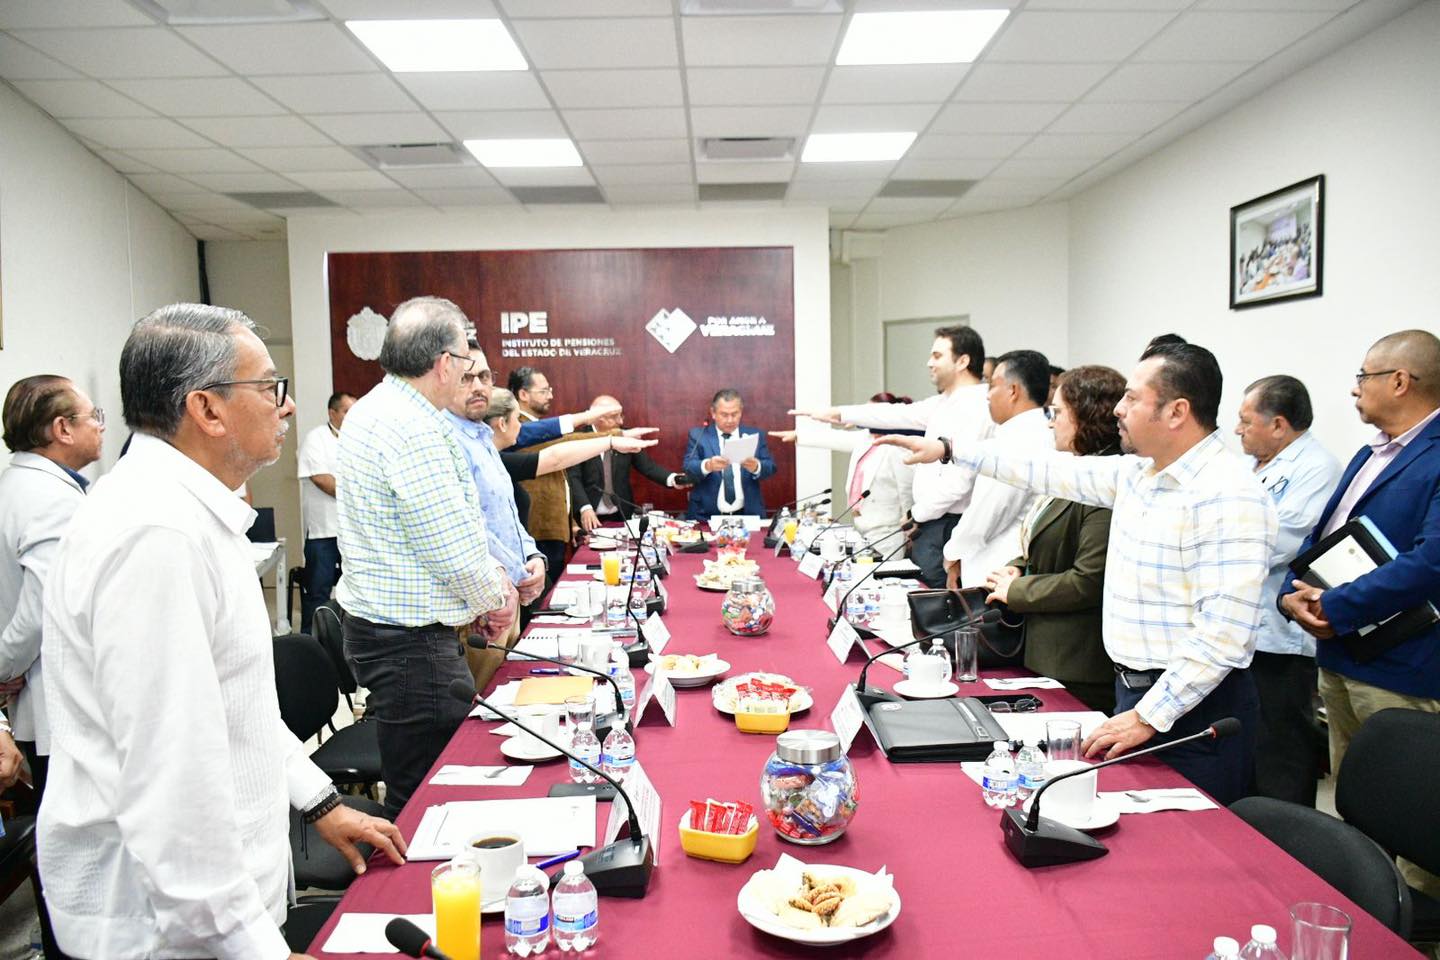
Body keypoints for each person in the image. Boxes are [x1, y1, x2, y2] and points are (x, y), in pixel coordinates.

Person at [38, 303, 403, 960]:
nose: (286, 406)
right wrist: (257, 950)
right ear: (206, 409)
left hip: (216, 914)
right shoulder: (157, 534)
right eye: (268, 387)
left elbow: (238, 706)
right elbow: (170, 786)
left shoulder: (190, 512)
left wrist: (321, 803)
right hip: (170, 932)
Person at [882, 342, 1276, 804]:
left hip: (1193, 707)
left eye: (1133, 398)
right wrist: (950, 450)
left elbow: (1224, 636)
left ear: (1177, 412)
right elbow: (1046, 470)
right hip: (1136, 692)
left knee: (1195, 837)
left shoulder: (1228, 495)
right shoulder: (1141, 475)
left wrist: (1148, 716)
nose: (1119, 409)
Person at [336, 295, 517, 818]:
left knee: (420, 781)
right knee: (430, 795)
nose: (467, 371)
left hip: (389, 632)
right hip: (410, 644)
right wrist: (494, 598)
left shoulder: (377, 408)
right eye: (464, 360)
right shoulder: (412, 427)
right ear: (443, 364)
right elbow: (451, 549)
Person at [1280, 330, 1440, 765]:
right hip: (1338, 656)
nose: (1355, 388)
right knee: (1349, 794)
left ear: (1399, 381)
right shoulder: (1369, 453)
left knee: (1398, 798)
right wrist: (1291, 596)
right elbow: (1326, 536)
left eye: (1364, 376)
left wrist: (1334, 606)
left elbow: (1430, 563)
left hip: (1400, 671)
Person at [791, 325, 992, 588]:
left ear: (962, 361)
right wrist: (838, 413)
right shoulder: (945, 402)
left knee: (939, 600)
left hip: (947, 524)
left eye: (937, 356)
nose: (929, 363)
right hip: (932, 522)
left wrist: (917, 513)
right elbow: (894, 414)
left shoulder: (976, 407)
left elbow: (960, 481)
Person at [982, 365, 1126, 714]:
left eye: (1058, 413)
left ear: (1086, 417)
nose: (1051, 423)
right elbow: (1043, 540)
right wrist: (1017, 567)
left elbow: (1088, 580)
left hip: (1077, 660)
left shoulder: (1104, 485)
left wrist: (1017, 591)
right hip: (1045, 649)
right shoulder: (1074, 471)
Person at [1234, 375, 1340, 806]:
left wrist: (1220, 541)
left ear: (1278, 424)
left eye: (1246, 421)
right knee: (1253, 743)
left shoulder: (1316, 467)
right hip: (1248, 629)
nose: (1238, 430)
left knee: (1282, 746)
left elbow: (1283, 541)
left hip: (1282, 636)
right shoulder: (1256, 465)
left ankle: (1288, 832)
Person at [0, 375, 104, 799]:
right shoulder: (53, 500)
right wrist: (4, 669)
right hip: (59, 706)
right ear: (63, 429)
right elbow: (42, 610)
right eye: (93, 415)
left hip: (42, 701)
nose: (100, 425)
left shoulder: (16, 484)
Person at [444, 340, 547, 686]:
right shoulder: (446, 441)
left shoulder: (482, 439)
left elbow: (508, 516)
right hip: (482, 606)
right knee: (481, 706)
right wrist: (516, 573)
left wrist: (533, 557)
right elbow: (467, 526)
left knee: (509, 695)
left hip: (509, 595)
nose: (478, 386)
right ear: (445, 379)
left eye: (485, 376)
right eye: (466, 377)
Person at [939, 350, 1054, 589]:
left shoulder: (1018, 440)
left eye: (992, 386)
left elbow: (989, 512)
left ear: (1013, 391)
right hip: (1012, 567)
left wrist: (952, 553)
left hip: (997, 569)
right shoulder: (1039, 431)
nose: (987, 395)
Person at [769, 392, 916, 549]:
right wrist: (798, 435)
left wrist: (909, 525)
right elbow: (834, 438)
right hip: (862, 526)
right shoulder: (866, 439)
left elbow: (906, 491)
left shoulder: (898, 447)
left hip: (887, 531)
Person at [508, 366, 592, 583]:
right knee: (542, 595)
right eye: (544, 391)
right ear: (523, 394)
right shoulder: (519, 429)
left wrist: (570, 523)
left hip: (552, 530)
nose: (550, 396)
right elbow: (565, 445)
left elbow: (558, 482)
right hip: (537, 531)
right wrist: (613, 438)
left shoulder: (536, 427)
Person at [576, 394, 689, 525]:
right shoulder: (579, 439)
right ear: (599, 417)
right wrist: (585, 507)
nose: (620, 421)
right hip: (589, 516)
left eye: (621, 415)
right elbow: (574, 478)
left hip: (622, 513)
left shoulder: (626, 435)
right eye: (614, 416)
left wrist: (673, 479)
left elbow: (647, 467)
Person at [295, 390, 353, 632]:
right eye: (347, 411)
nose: (353, 416)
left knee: (352, 592)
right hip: (323, 532)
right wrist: (357, 495)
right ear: (332, 413)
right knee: (318, 591)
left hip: (352, 532)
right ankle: (311, 642)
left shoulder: (357, 439)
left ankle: (343, 641)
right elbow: (321, 478)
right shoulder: (316, 438)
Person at [683, 388, 777, 519]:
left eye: (734, 414)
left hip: (747, 514)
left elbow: (771, 467)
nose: (730, 420)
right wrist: (708, 465)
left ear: (741, 412)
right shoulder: (699, 435)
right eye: (724, 415)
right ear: (713, 413)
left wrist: (757, 467)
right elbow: (688, 466)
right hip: (706, 515)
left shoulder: (754, 435)